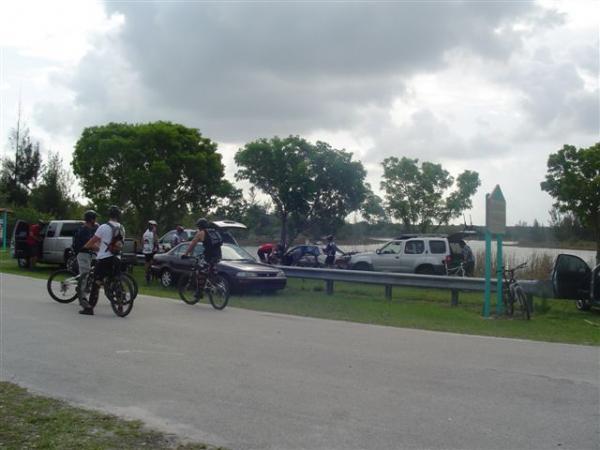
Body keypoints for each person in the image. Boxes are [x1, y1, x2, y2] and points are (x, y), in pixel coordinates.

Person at [81, 206, 125, 315]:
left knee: (96, 282)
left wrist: (85, 247)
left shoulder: (104, 227)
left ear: (109, 215)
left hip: (104, 258)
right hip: (117, 258)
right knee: (117, 281)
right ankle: (120, 305)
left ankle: (89, 308)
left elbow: (93, 240)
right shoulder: (122, 228)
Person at [185, 218, 223, 299]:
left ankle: (199, 292)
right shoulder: (213, 231)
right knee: (209, 270)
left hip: (209, 256)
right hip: (218, 255)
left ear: (199, 226)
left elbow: (193, 244)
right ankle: (215, 284)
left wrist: (186, 253)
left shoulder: (201, 233)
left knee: (201, 272)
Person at [72, 210, 98, 310]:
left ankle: (85, 289)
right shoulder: (85, 230)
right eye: (95, 218)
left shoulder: (89, 229)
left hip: (88, 254)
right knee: (85, 274)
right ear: (91, 219)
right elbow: (89, 244)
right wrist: (100, 249)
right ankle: (82, 298)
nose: (96, 221)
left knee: (91, 272)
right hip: (82, 254)